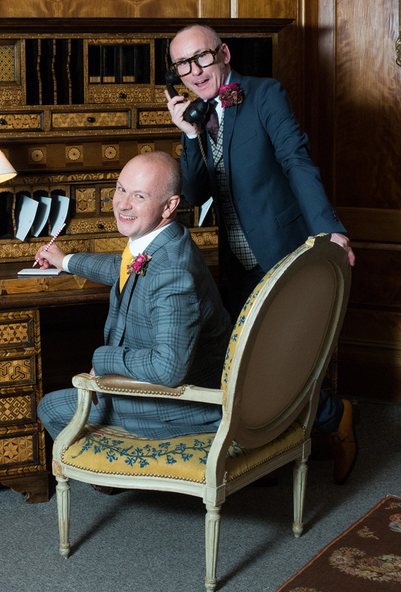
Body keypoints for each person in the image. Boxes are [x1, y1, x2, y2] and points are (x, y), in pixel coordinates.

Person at [165, 24, 358, 485]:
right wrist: (188, 135)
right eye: (183, 65)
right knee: (247, 364)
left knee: (287, 356)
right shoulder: (197, 114)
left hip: (282, 252)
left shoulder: (265, 94)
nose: (195, 71)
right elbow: (194, 194)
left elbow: (296, 161)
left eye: (202, 57)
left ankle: (335, 419)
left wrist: (329, 230)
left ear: (224, 53)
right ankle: (290, 438)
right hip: (237, 263)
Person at [35, 151, 232, 444]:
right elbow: (126, 268)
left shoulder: (173, 272)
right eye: (121, 189)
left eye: (139, 196)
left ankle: (118, 468)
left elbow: (168, 369)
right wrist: (64, 260)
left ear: (169, 205)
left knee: (50, 407)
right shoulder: (167, 239)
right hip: (173, 390)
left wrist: (103, 359)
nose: (123, 204)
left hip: (183, 405)